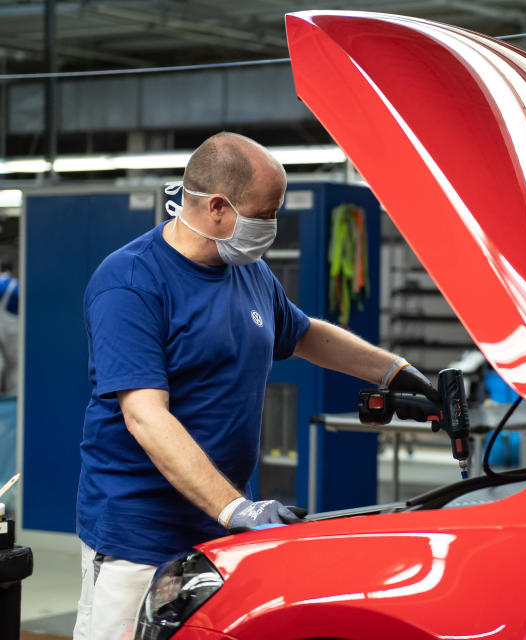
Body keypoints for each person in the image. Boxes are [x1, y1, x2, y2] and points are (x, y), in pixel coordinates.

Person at [73, 132, 437, 640]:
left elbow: (304, 333)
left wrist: (395, 371)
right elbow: (145, 416)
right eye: (266, 214)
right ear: (218, 207)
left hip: (218, 533)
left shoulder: (249, 271)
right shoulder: (130, 282)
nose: (272, 227)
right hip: (139, 538)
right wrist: (236, 508)